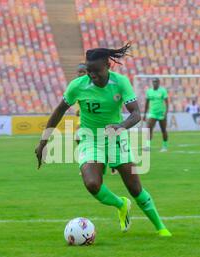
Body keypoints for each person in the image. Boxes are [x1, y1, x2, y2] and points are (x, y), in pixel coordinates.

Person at [35, 43, 172, 237]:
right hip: (90, 139)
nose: (92, 75)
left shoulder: (120, 82)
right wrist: (43, 142)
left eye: (96, 71)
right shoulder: (78, 85)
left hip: (116, 138)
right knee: (92, 183)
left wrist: (121, 126)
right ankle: (121, 204)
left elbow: (136, 114)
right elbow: (59, 111)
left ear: (108, 65)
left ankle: (161, 228)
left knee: (135, 188)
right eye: (89, 71)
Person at [143, 78, 169, 152]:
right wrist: (145, 114)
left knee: (163, 130)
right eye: (154, 82)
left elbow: (167, 102)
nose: (155, 83)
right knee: (148, 129)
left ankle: (165, 146)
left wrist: (166, 113)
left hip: (161, 113)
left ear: (159, 83)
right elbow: (146, 103)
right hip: (152, 113)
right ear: (152, 83)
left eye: (156, 82)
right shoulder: (149, 91)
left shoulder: (163, 91)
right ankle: (148, 146)